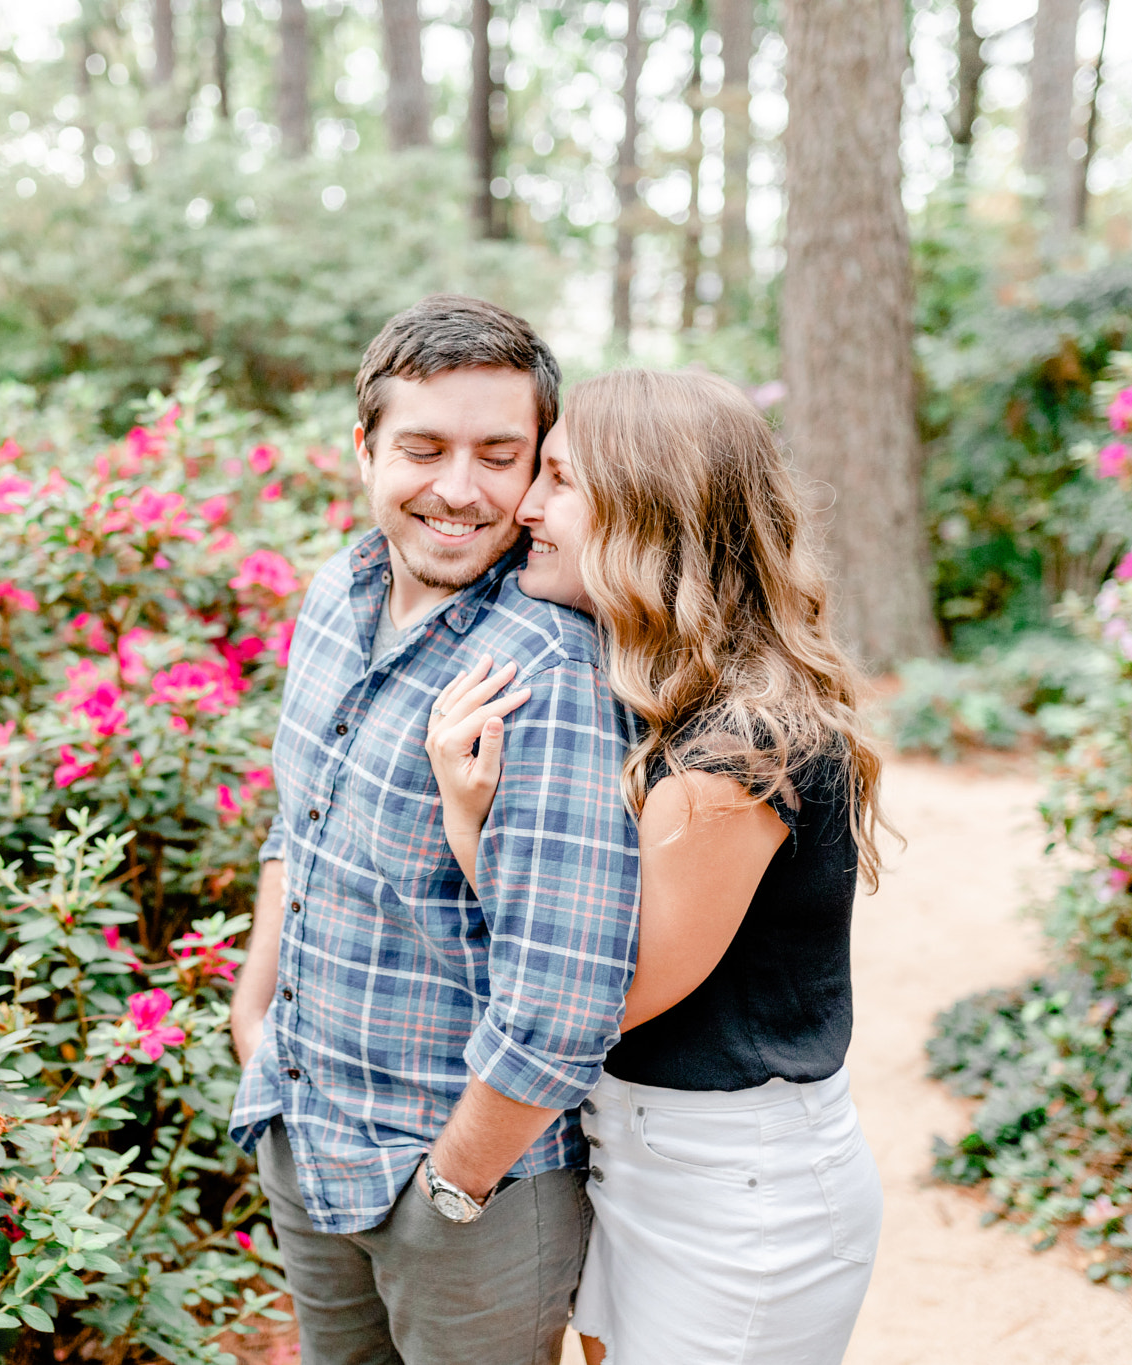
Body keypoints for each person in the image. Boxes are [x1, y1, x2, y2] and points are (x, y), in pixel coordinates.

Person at [425, 367, 889, 1365]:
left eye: (557, 480)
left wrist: (468, 824)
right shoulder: (654, 696)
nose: (528, 509)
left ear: (647, 513)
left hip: (735, 1197)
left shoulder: (739, 748)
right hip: (637, 1155)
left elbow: (606, 991)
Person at [227, 295, 641, 1365]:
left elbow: (564, 992)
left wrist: (453, 1184)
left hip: (466, 1191)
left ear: (538, 466)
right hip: (305, 1131)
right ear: (363, 447)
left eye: (498, 455)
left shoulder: (546, 668)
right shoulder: (336, 590)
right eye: (423, 448)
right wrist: (255, 1019)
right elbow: (297, 827)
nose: (458, 490)